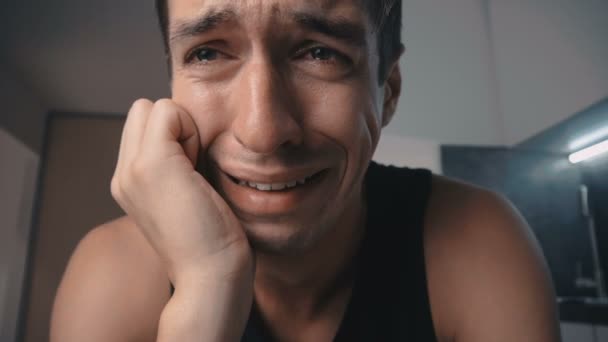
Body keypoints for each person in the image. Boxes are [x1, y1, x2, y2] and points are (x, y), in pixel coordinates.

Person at [50, 0, 561, 341]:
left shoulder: (481, 245)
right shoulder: (110, 276)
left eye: (320, 53)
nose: (264, 130)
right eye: (207, 52)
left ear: (388, 91)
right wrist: (207, 289)